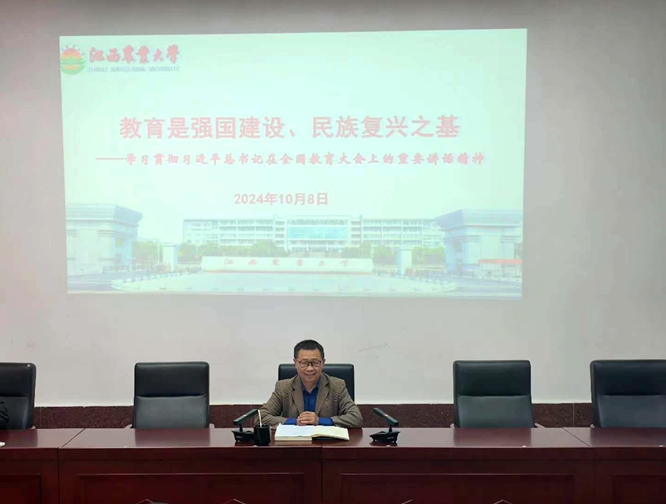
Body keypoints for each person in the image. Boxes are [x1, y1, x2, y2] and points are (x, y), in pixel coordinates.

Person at [259, 340, 363, 428]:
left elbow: (356, 418)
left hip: (327, 443)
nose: (309, 368)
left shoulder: (337, 386)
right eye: (304, 363)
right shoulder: (283, 387)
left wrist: (319, 421)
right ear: (295, 363)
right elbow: (261, 417)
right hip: (294, 443)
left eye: (315, 363)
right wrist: (295, 422)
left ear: (323, 363)